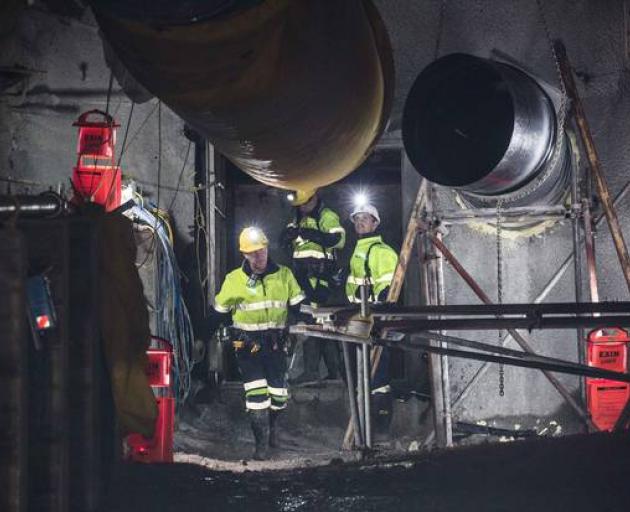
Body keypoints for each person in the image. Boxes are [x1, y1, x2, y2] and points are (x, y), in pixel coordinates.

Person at [213, 226, 305, 460]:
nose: (257, 257)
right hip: (247, 346)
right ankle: (261, 446)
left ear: (267, 249)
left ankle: (271, 429)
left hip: (275, 345)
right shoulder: (234, 280)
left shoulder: (284, 275)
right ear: (244, 254)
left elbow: (299, 307)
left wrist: (315, 320)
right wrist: (201, 335)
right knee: (256, 396)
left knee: (279, 395)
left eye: (260, 251)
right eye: (251, 253)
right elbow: (219, 313)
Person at [281, 188, 346, 384]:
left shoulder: (327, 216)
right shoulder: (296, 217)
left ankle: (313, 372)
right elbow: (284, 244)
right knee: (318, 325)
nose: (302, 207)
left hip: (321, 282)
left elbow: (338, 240)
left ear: (314, 197)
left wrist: (309, 233)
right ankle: (335, 372)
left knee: (313, 324)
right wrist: (288, 236)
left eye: (305, 203)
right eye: (299, 204)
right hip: (302, 281)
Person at [346, 201, 398, 438]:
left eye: (364, 219)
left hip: (375, 319)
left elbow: (388, 293)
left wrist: (369, 301)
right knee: (361, 374)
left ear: (375, 223)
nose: (359, 223)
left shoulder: (382, 252)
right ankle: (366, 430)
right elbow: (353, 287)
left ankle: (380, 432)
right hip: (360, 317)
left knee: (378, 376)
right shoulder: (359, 251)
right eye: (357, 220)